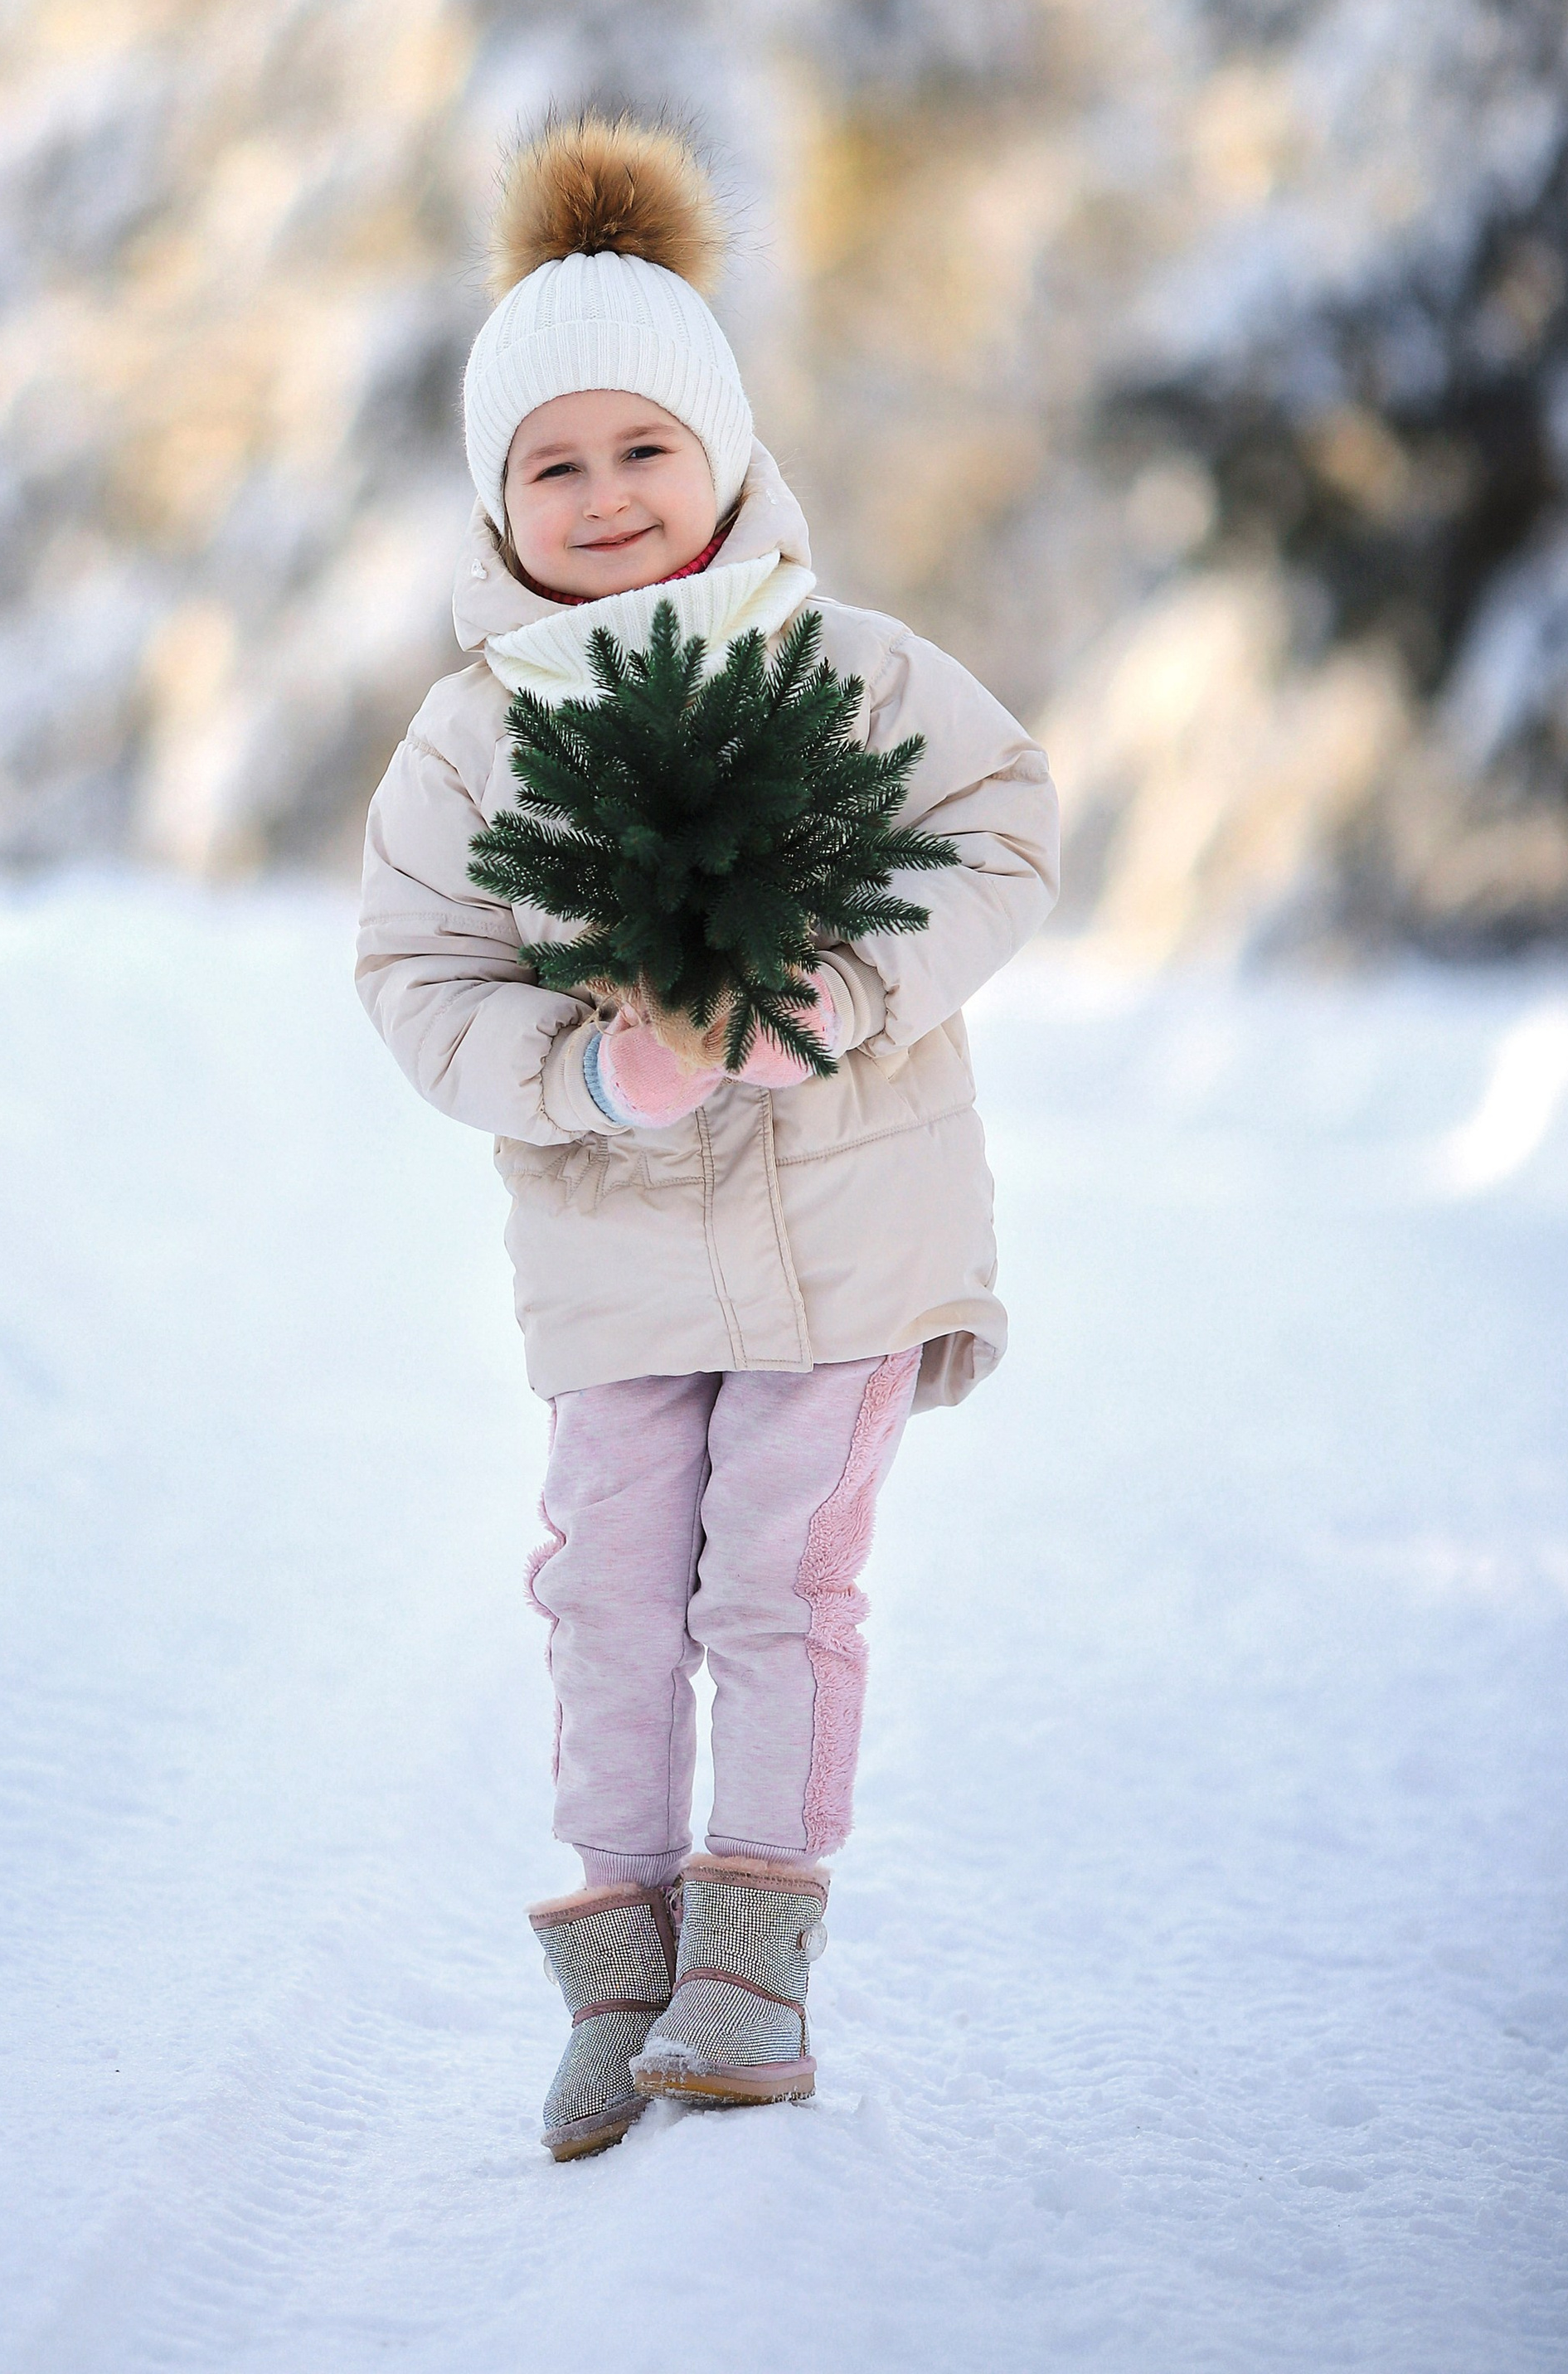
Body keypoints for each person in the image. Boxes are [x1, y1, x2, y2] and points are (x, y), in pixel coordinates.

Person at [356, 113, 1060, 2158]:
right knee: (601, 1588)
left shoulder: (837, 671)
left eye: (639, 450)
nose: (601, 497)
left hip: (851, 1225)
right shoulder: (470, 733)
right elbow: (417, 977)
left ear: (722, 453)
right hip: (610, 1251)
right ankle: (620, 1971)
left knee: (771, 1577)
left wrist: (846, 987)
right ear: (500, 500)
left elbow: (1001, 823)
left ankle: (755, 1960)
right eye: (549, 466)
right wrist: (586, 1075)